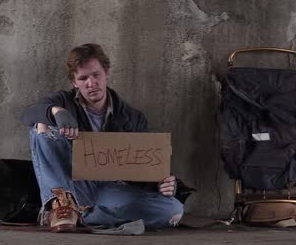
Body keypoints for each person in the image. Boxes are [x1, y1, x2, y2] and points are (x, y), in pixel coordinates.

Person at [21, 43, 184, 231]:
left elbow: (141, 171)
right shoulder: (63, 100)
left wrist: (160, 183)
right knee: (41, 126)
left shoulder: (132, 117)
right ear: (75, 82)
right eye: (83, 78)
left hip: (112, 189)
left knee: (173, 210)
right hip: (73, 184)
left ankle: (82, 216)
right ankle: (61, 206)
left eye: (96, 75)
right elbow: (28, 114)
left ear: (106, 72)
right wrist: (55, 111)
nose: (91, 83)